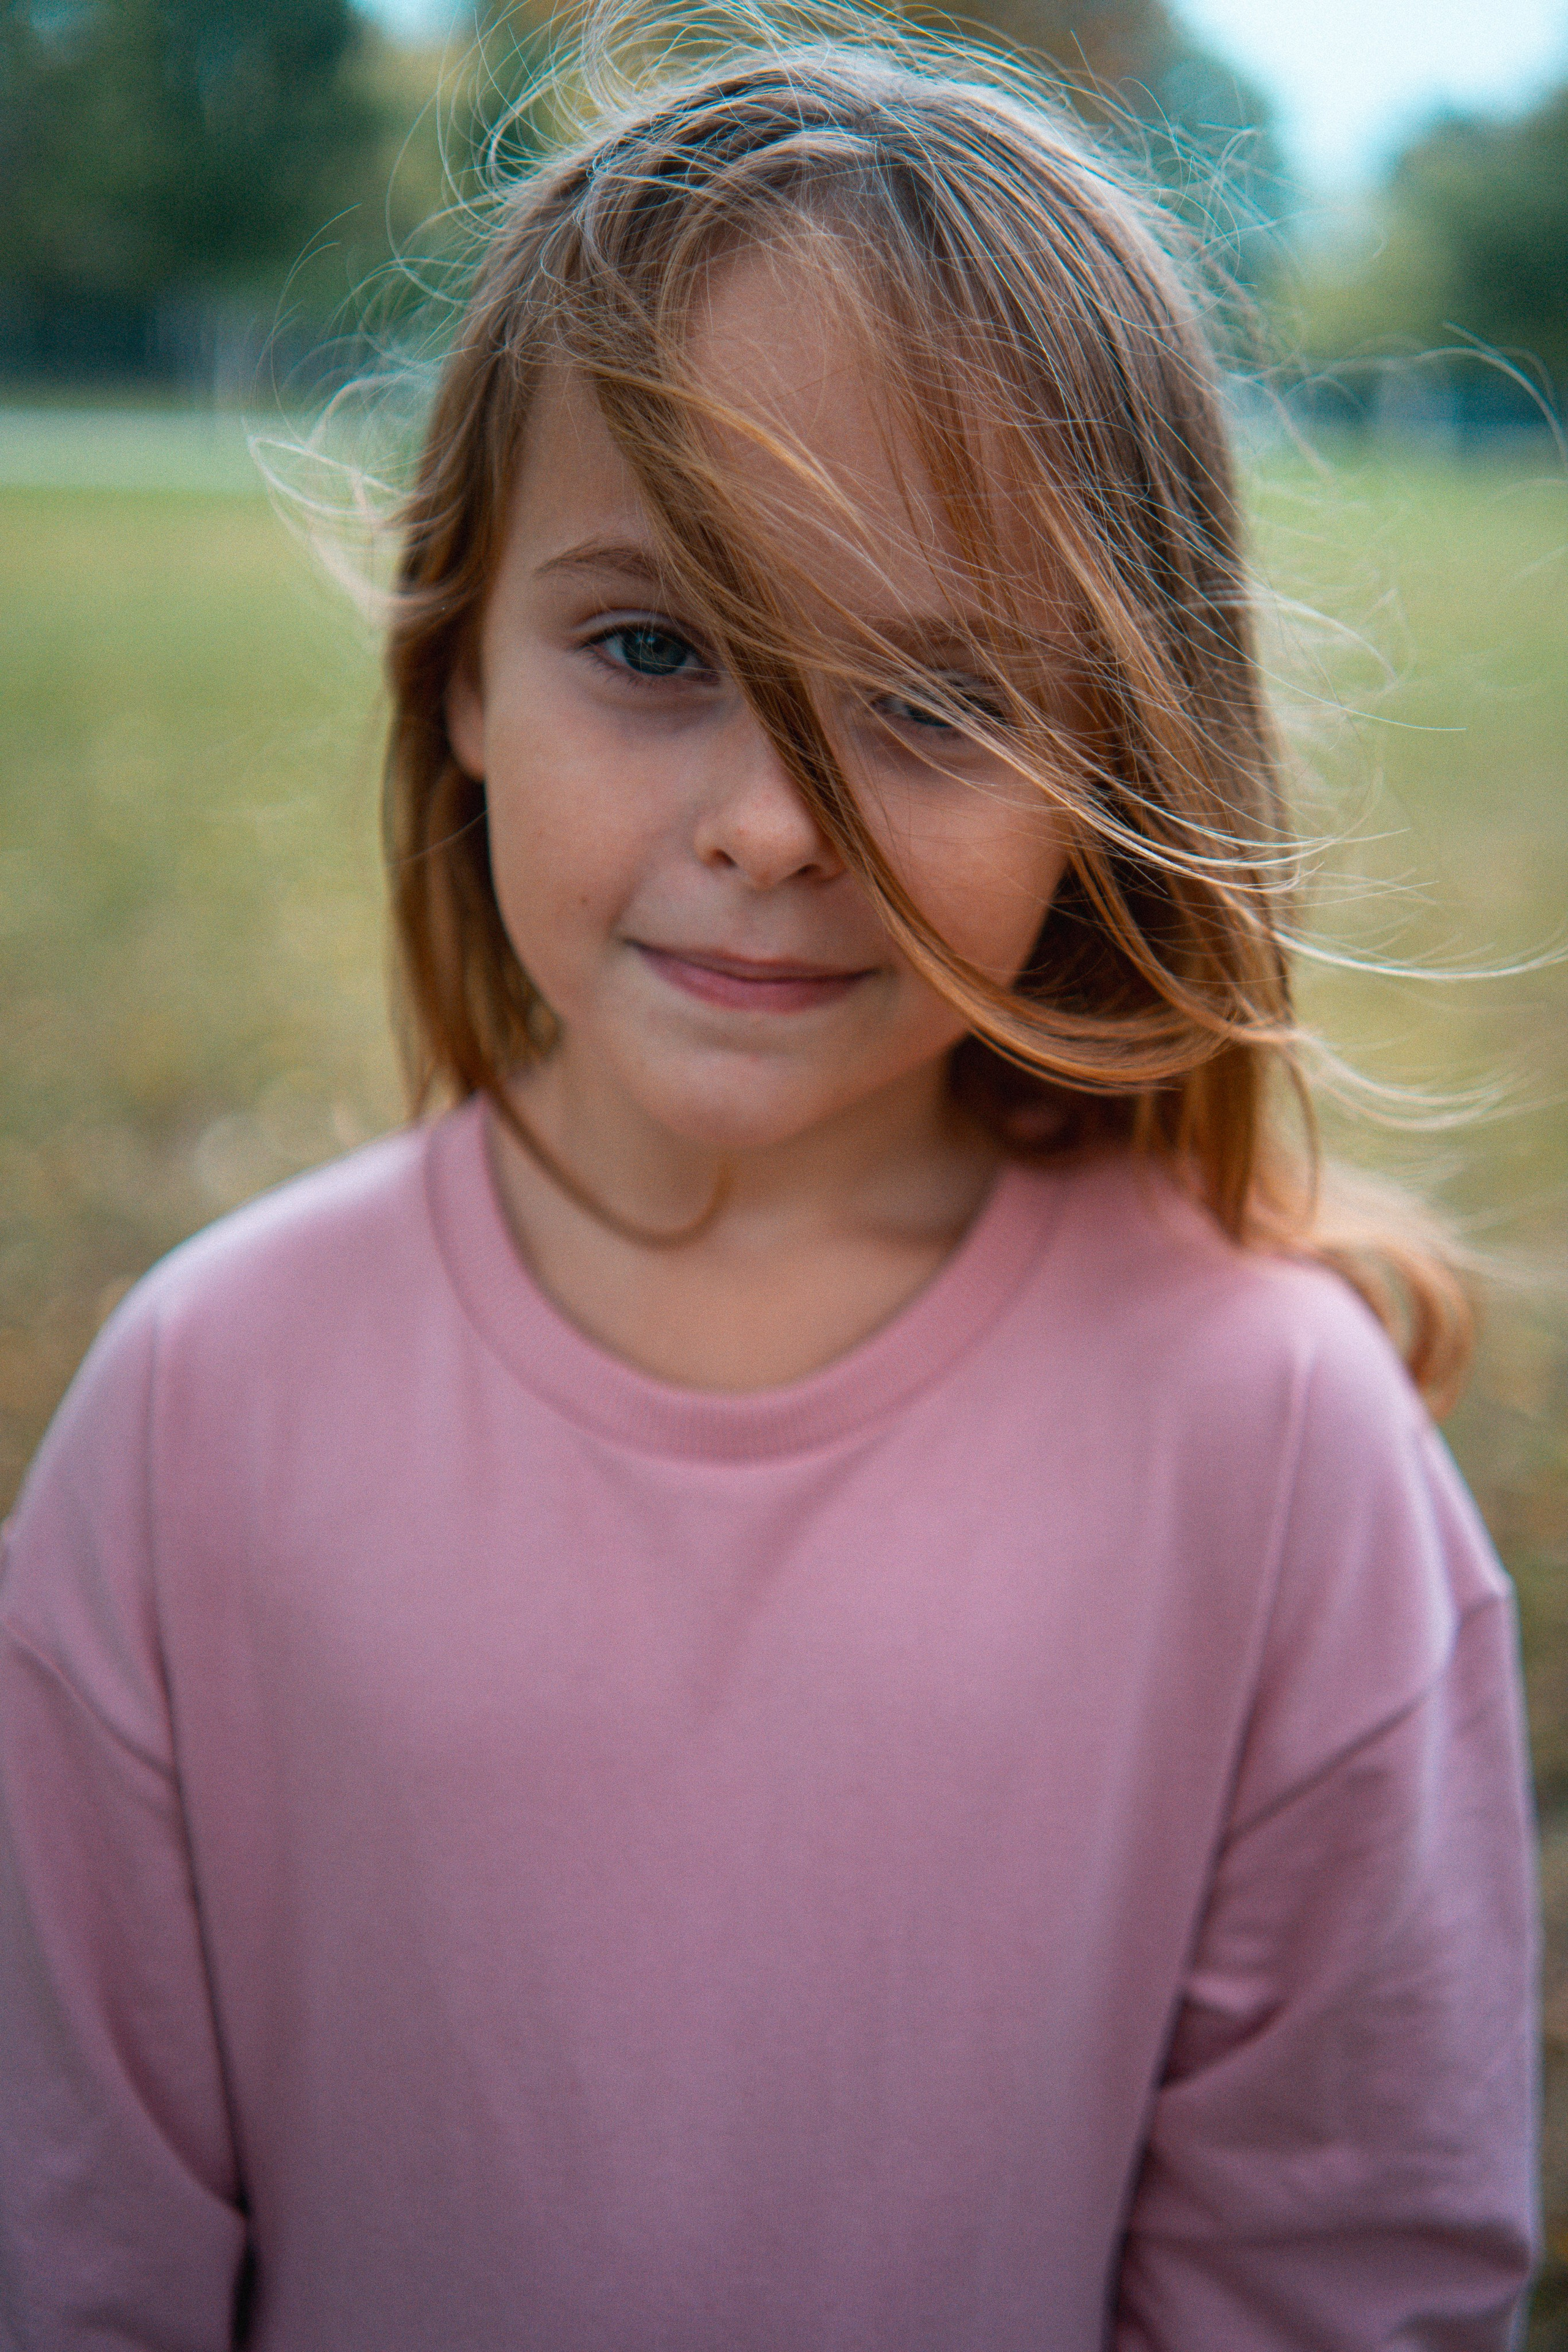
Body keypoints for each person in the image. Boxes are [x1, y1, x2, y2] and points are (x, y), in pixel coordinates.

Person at [0, 23, 1538, 2349]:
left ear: (1117, 761)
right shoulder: (208, 1402)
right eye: (652, 647)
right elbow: (75, 2239)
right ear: (461, 680)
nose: (770, 822)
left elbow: (1343, 2258)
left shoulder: (1277, 1444)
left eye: (930, 704)